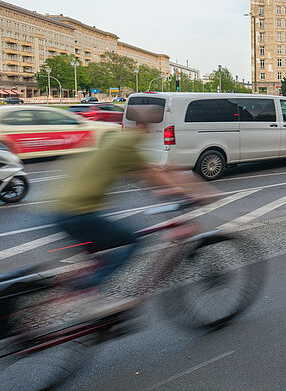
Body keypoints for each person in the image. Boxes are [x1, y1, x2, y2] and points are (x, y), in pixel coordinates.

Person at [49, 104, 212, 316]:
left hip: (61, 205)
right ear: (146, 125)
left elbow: (151, 172)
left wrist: (167, 184)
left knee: (99, 251)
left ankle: (81, 287)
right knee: (131, 241)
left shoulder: (117, 139)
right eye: (153, 126)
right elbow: (153, 177)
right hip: (76, 211)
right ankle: (89, 293)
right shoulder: (127, 144)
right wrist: (190, 195)